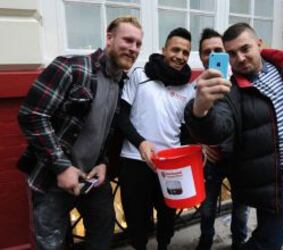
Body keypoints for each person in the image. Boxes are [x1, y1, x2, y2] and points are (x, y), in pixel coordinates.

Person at [185, 23, 283, 250]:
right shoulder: (230, 92)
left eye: (245, 49)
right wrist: (200, 109)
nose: (239, 58)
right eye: (231, 54)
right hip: (281, 182)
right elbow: (218, 128)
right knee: (266, 244)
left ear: (259, 44)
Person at [17, 16, 143, 250]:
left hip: (92, 179)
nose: (133, 49)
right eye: (128, 40)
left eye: (138, 44)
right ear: (109, 38)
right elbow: (32, 115)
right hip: (53, 177)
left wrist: (103, 162)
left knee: (102, 238)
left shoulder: (121, 83)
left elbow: (104, 130)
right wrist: (62, 166)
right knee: (51, 245)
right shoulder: (72, 67)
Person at [117, 27, 195, 250]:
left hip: (170, 165)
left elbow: (185, 130)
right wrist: (140, 142)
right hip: (135, 159)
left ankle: (163, 246)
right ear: (164, 50)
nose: (180, 56)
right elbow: (121, 116)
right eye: (175, 49)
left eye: (186, 52)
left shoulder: (188, 89)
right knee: (136, 217)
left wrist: (197, 150)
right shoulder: (139, 73)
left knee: (167, 215)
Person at [196, 28, 248, 250]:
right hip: (213, 159)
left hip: (239, 158)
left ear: (226, 52)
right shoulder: (196, 87)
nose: (212, 55)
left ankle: (239, 241)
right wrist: (201, 144)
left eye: (218, 50)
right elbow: (188, 122)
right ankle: (205, 240)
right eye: (207, 51)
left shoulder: (243, 82)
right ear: (201, 57)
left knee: (241, 207)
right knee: (207, 207)